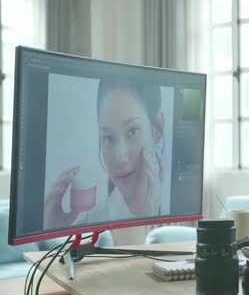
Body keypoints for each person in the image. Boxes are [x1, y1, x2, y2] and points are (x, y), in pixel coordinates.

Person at [43, 79, 165, 229]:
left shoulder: (179, 216)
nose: (120, 158)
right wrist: (52, 232)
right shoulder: (91, 224)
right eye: (108, 138)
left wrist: (149, 221)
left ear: (157, 129)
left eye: (132, 131)